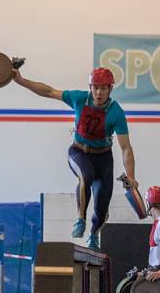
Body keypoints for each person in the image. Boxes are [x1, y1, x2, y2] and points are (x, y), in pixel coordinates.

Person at [12, 67, 137, 250]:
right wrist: (22, 81)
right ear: (90, 87)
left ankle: (94, 234)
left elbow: (126, 148)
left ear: (110, 89)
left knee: (102, 209)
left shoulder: (116, 112)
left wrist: (131, 176)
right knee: (85, 175)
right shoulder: (79, 98)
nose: (99, 92)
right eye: (95, 88)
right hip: (78, 152)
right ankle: (80, 219)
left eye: (103, 88)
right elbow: (49, 91)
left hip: (103, 159)